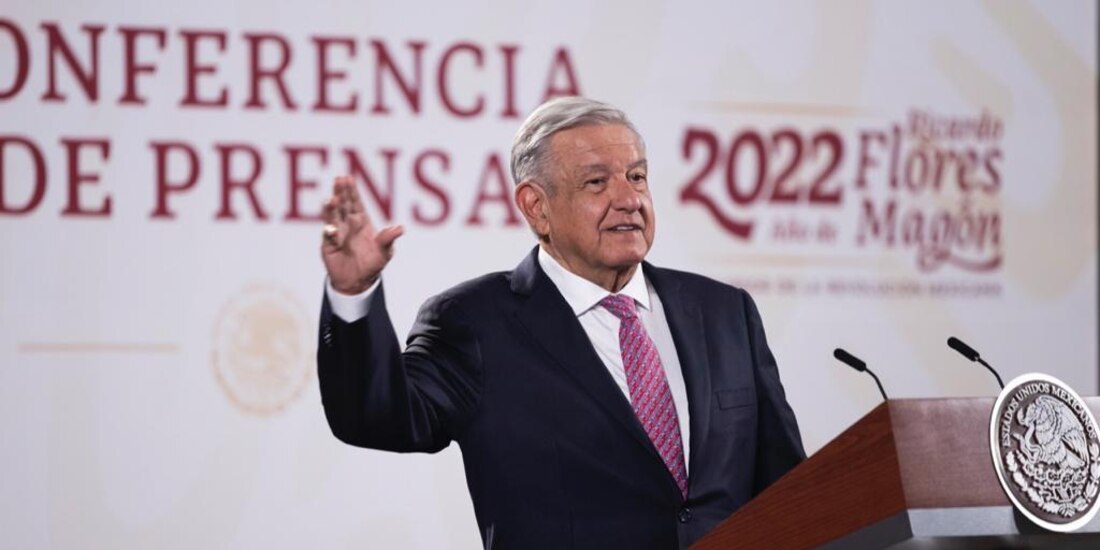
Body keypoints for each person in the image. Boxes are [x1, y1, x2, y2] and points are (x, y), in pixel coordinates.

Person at [317, 96, 805, 549]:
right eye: (596, 183)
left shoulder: (724, 312)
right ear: (537, 207)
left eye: (637, 176)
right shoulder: (475, 322)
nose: (629, 199)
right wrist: (353, 295)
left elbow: (791, 490)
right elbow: (378, 417)